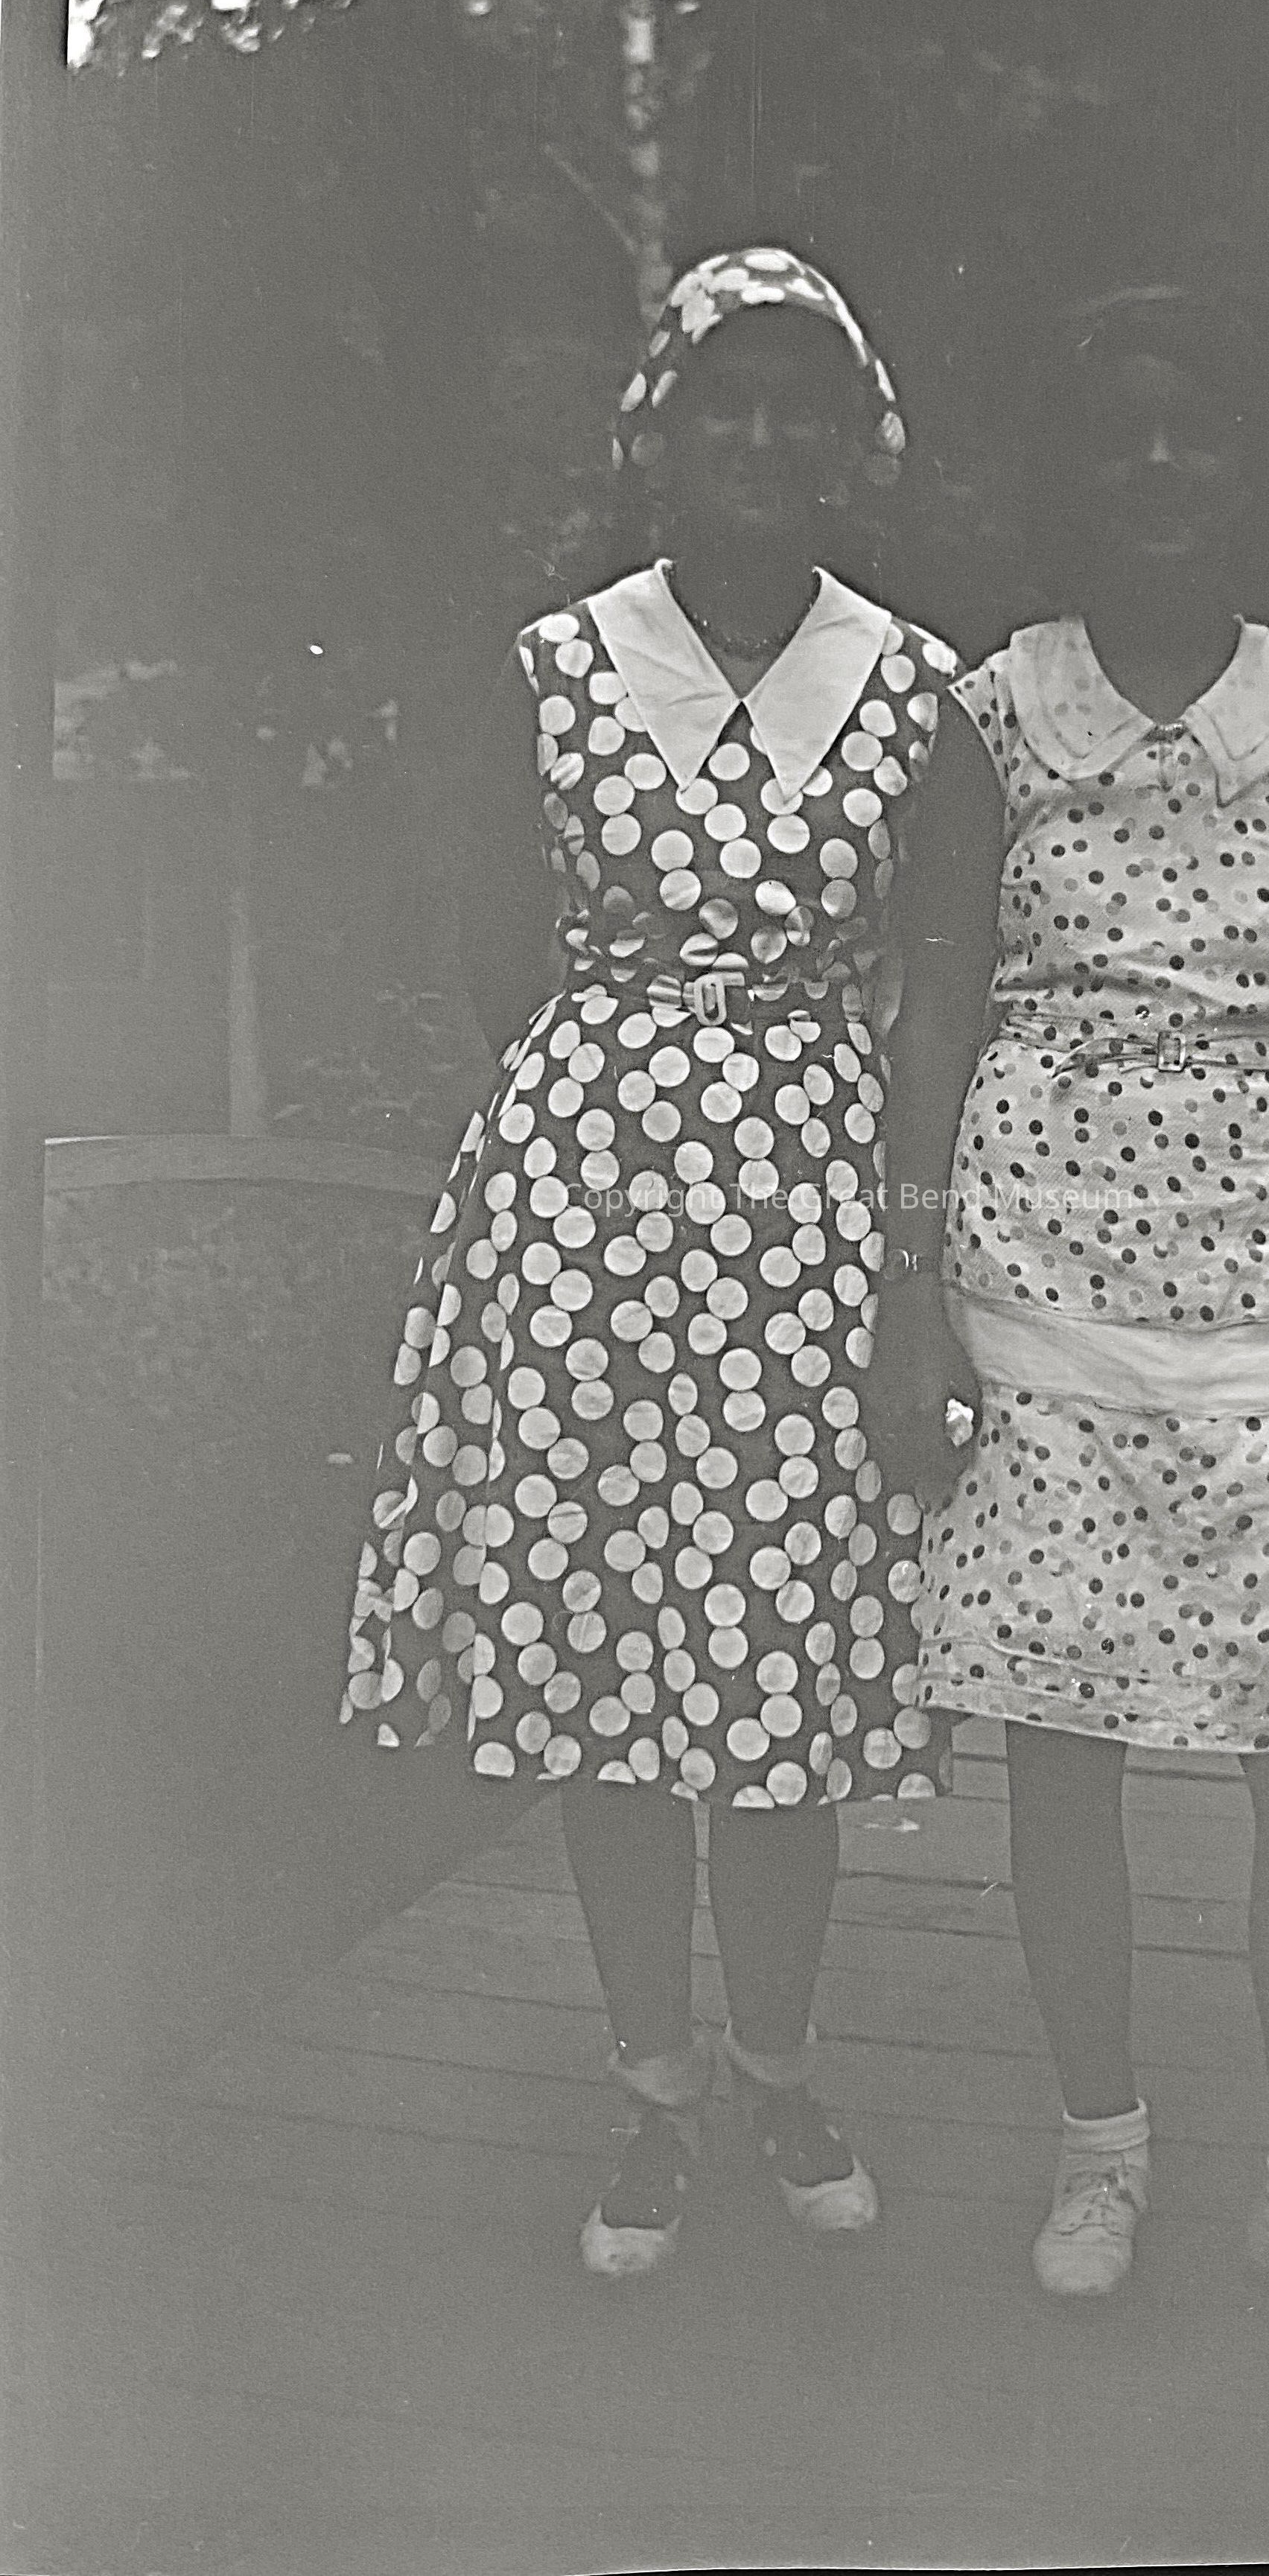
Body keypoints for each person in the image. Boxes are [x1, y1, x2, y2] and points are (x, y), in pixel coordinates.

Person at [864, 276, 1269, 2327]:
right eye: (1119, 432)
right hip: (1037, 1263)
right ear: (1071, 474)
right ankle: (1102, 2154)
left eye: (1197, 429)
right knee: (1059, 1731)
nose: (1158, 463)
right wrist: (912, 1281)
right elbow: (937, 992)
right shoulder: (996, 712)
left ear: (1250, 468)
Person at [344, 247, 956, 2278]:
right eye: (723, 400)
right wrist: (596, 1119)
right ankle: (655, 2091)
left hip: (808, 1215)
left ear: (848, 437)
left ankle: (778, 2068)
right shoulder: (559, 662)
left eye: (799, 400)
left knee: (774, 1649)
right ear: (660, 434)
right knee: (605, 1652)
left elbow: (935, 980)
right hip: (587, 1202)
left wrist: (892, 1240)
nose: (759, 437)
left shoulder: (911, 683)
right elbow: (484, 935)